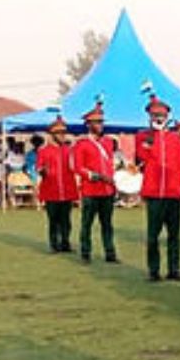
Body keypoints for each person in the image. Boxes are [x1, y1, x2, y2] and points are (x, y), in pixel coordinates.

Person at [137, 96, 180, 281]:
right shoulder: (143, 136)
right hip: (154, 193)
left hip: (173, 192)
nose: (158, 118)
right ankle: (154, 270)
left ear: (167, 117)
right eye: (155, 115)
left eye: (161, 115)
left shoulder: (175, 138)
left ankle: (174, 269)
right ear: (149, 117)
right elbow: (144, 156)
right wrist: (155, 136)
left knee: (174, 235)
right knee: (153, 236)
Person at [72, 102, 118, 263]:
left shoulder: (108, 142)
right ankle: (86, 253)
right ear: (88, 124)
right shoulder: (81, 144)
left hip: (107, 190)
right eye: (96, 122)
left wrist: (113, 180)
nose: (100, 125)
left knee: (107, 225)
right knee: (87, 224)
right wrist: (96, 176)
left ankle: (110, 253)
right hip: (90, 190)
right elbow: (78, 168)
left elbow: (109, 164)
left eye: (101, 122)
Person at [37, 116, 78, 252]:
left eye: (63, 133)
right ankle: (54, 244)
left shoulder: (69, 150)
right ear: (52, 135)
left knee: (66, 220)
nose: (62, 135)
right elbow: (39, 168)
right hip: (51, 190)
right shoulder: (43, 151)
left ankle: (65, 242)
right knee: (53, 220)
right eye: (59, 133)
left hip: (67, 189)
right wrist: (43, 171)